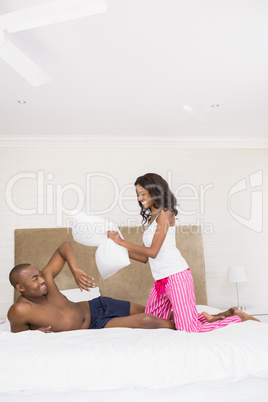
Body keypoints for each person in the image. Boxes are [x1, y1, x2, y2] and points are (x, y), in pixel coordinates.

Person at [108, 173, 260, 332]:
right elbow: (145, 258)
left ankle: (239, 318)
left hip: (176, 276)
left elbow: (153, 251)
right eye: (137, 194)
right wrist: (118, 250)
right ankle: (203, 316)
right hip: (161, 281)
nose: (139, 198)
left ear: (154, 191)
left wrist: (121, 241)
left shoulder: (165, 213)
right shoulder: (152, 218)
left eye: (142, 193)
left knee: (188, 330)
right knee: (152, 324)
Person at [8, 242, 179, 333]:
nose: (42, 280)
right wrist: (36, 332)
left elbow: (64, 246)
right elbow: (21, 337)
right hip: (96, 325)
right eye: (34, 279)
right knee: (147, 320)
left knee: (156, 312)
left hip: (99, 306)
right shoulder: (20, 310)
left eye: (39, 274)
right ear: (20, 287)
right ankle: (187, 326)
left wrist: (74, 269)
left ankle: (195, 319)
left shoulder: (47, 278)